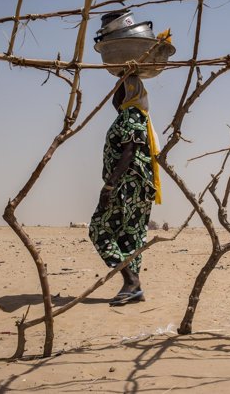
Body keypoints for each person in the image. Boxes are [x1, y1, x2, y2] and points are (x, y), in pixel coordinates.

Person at [89, 75, 161, 306]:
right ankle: (133, 288)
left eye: (117, 90)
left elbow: (129, 151)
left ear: (127, 92)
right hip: (136, 185)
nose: (114, 95)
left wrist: (110, 184)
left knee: (99, 228)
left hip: (128, 184)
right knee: (130, 236)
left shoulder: (131, 115)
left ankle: (131, 281)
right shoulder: (136, 115)